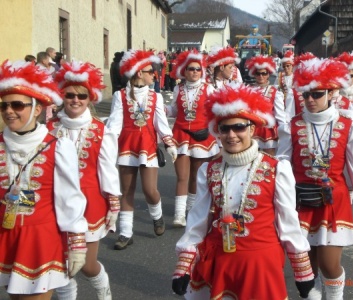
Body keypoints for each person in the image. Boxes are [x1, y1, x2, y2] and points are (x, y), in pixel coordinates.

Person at [171, 85, 315, 299]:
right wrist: (184, 264)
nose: (231, 135)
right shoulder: (208, 169)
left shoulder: (277, 168)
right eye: (224, 128)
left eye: (238, 127)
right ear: (217, 131)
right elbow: (197, 221)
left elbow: (288, 221)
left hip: (261, 263)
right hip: (222, 260)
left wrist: (302, 269)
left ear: (252, 129)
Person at [277, 57, 353, 299]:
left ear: (332, 93)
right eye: (306, 95)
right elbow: (281, 165)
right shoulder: (291, 125)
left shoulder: (347, 125)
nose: (310, 100)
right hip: (300, 201)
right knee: (305, 267)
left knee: (329, 265)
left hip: (334, 201)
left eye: (317, 94)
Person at [0, 60, 88, 298]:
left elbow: (69, 198)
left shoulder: (59, 146)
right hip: (5, 236)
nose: (9, 111)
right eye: (4, 106)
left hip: (41, 240)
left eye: (17, 105)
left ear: (37, 109)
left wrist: (77, 241)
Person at [49, 61, 121, 300]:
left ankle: (104, 291)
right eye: (70, 94)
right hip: (53, 203)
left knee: (87, 265)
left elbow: (108, 169)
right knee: (60, 265)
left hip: (90, 204)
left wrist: (113, 201)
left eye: (82, 95)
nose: (76, 100)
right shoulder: (48, 129)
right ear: (62, 96)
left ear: (90, 98)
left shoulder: (101, 130)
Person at [106, 49, 177, 250]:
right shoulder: (120, 96)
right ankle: (125, 233)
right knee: (126, 190)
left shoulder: (156, 97)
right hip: (127, 147)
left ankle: (157, 216)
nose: (153, 75)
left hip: (147, 147)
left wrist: (169, 143)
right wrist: (107, 146)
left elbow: (161, 123)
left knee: (149, 190)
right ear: (138, 73)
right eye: (149, 71)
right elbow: (114, 124)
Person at [166, 50, 220, 227]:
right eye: (191, 69)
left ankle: (191, 210)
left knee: (196, 177)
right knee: (182, 176)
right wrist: (162, 110)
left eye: (198, 69)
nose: (194, 72)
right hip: (181, 134)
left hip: (202, 135)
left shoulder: (209, 89)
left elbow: (215, 112)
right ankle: (179, 214)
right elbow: (174, 110)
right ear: (184, 70)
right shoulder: (178, 88)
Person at [245, 55, 285, 155]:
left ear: (268, 74)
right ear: (254, 74)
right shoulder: (248, 90)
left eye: (264, 73)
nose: (261, 76)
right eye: (258, 74)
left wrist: (284, 135)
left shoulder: (275, 92)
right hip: (252, 131)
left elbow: (280, 117)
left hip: (268, 133)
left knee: (268, 162)